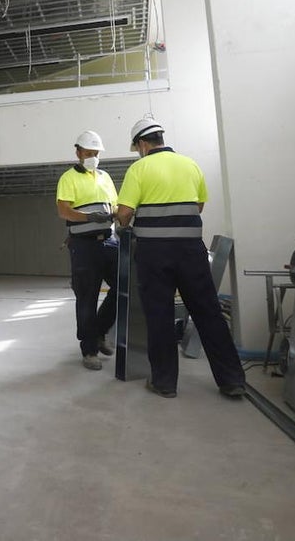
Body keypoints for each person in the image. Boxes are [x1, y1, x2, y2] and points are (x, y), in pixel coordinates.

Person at [114, 118, 245, 398]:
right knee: (208, 312)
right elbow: (198, 205)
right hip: (190, 251)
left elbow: (124, 213)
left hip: (154, 253)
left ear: (141, 144)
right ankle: (232, 380)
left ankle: (164, 383)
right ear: (161, 138)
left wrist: (122, 222)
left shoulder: (139, 168)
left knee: (159, 315)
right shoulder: (191, 164)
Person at [56, 130, 120, 371]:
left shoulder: (105, 177)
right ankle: (89, 350)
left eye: (97, 153)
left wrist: (114, 213)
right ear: (78, 152)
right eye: (89, 152)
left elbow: (115, 205)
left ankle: (100, 331)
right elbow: (64, 211)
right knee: (86, 297)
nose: (93, 156)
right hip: (84, 247)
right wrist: (88, 217)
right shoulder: (68, 178)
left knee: (122, 287)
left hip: (110, 242)